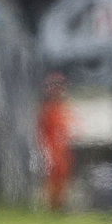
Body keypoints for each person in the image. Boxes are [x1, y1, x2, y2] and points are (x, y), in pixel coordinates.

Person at [37, 72, 75, 212]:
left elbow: (71, 126)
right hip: (52, 148)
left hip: (63, 147)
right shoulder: (47, 109)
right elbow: (41, 131)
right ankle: (54, 205)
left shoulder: (63, 107)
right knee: (53, 176)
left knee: (63, 175)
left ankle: (60, 203)